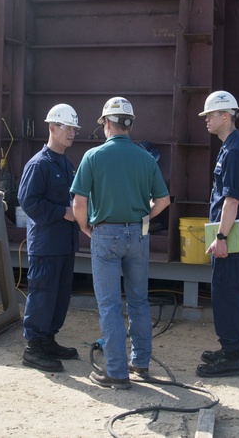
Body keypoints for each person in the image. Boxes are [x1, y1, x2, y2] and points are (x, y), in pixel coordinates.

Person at [71, 97, 170, 389]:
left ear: (107, 124)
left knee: (110, 304)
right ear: (130, 125)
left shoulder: (93, 157)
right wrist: (143, 218)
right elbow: (163, 200)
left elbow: (78, 202)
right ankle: (140, 364)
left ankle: (116, 372)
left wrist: (86, 227)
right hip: (138, 235)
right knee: (139, 300)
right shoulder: (146, 158)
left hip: (105, 234)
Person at [16, 104, 82, 373]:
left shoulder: (64, 163)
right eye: (67, 127)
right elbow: (28, 201)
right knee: (43, 294)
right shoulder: (39, 164)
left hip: (64, 244)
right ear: (52, 128)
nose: (72, 133)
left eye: (74, 129)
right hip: (46, 244)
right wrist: (63, 213)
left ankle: (48, 340)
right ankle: (34, 348)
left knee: (59, 295)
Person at [196, 90, 239, 377]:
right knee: (229, 291)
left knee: (226, 292)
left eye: (209, 115)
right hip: (228, 236)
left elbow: (231, 201)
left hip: (229, 238)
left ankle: (232, 355)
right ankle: (232, 348)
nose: (206, 120)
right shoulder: (231, 148)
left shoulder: (234, 152)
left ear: (225, 116)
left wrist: (221, 239)